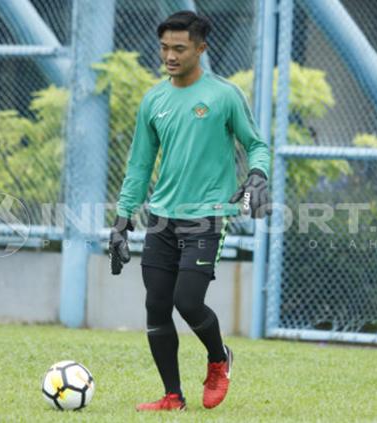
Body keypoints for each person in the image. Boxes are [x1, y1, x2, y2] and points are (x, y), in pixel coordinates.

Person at [109, 10, 271, 412]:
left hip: (207, 215)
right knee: (157, 305)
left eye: (179, 48)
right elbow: (139, 165)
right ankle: (172, 396)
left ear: (201, 47)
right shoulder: (154, 100)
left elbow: (257, 144)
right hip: (161, 217)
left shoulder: (224, 95)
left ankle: (219, 359)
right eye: (164, 47)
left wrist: (257, 175)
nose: (170, 55)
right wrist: (121, 219)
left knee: (188, 301)